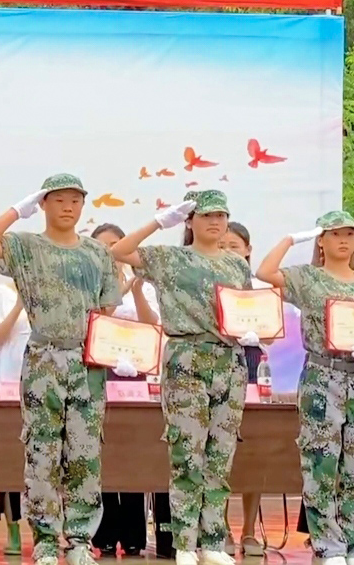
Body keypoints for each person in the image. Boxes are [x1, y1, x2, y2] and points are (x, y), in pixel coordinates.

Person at [0, 174, 120, 565]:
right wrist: (16, 211)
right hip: (43, 357)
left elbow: (107, 308)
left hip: (86, 361)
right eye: (58, 200)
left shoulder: (97, 253)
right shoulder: (27, 246)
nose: (68, 207)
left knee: (85, 452)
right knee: (42, 452)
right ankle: (47, 540)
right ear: (43, 204)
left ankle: (81, 539)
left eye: (75, 200)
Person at [110, 190, 257, 565]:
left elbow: (246, 308)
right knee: (187, 454)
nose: (215, 222)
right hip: (187, 356)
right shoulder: (170, 258)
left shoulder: (236, 265)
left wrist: (251, 330)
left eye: (221, 215)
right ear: (189, 220)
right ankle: (186, 543)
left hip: (229, 359)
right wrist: (160, 221)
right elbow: (120, 251)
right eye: (206, 215)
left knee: (220, 454)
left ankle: (212, 541)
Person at [255, 210, 354, 565]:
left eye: (350, 234)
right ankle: (328, 546)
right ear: (321, 241)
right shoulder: (309, 278)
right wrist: (290, 240)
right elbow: (264, 272)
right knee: (321, 463)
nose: (344, 240)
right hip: (323, 376)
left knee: (352, 468)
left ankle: (350, 542)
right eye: (335, 234)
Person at [89, 223, 158, 558]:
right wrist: (117, 294)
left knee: (132, 449)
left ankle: (133, 534)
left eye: (117, 243)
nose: (112, 251)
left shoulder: (141, 280)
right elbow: (94, 322)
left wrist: (137, 291)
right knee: (101, 450)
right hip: (99, 369)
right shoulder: (89, 280)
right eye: (104, 246)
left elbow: (152, 325)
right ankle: (103, 532)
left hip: (135, 373)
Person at [216, 222, 266, 557]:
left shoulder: (259, 288)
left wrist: (258, 333)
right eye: (222, 246)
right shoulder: (207, 281)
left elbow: (274, 330)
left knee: (255, 447)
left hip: (252, 360)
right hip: (217, 357)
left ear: (247, 250)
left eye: (233, 246)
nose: (227, 251)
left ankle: (249, 529)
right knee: (220, 446)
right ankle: (220, 527)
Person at [0, 278, 28, 555]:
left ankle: (45, 530)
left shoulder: (47, 289)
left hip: (43, 383)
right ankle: (13, 528)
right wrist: (20, 304)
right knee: (11, 463)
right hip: (8, 384)